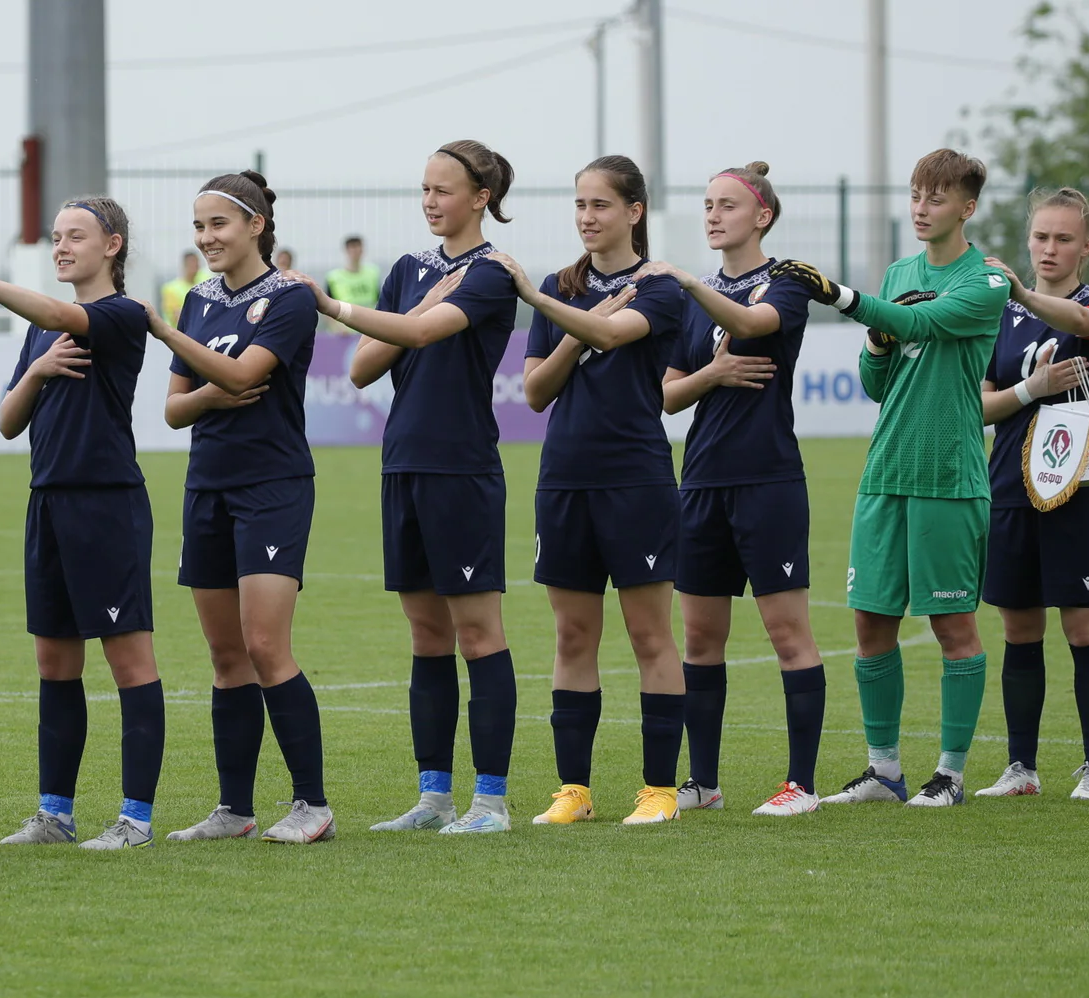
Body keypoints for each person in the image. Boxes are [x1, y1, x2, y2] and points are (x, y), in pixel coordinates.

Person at [0, 198, 167, 849]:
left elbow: (65, 315)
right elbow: (7, 421)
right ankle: (55, 814)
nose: (61, 246)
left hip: (105, 504)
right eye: (55, 237)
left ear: (112, 245)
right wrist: (35, 369)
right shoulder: (41, 328)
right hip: (48, 503)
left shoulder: (118, 315)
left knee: (129, 661)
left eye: (74, 236)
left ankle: (135, 820)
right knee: (55, 662)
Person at [290, 140, 521, 836]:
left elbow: (422, 332)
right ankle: (433, 799)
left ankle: (490, 802)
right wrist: (414, 303)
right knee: (426, 635)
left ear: (480, 197)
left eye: (442, 189)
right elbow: (365, 368)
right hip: (404, 464)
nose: (429, 201)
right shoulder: (409, 269)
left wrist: (331, 303)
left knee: (478, 634)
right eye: (423, 188)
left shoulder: (494, 273)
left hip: (462, 468)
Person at [768, 148, 1010, 808]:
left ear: (967, 207)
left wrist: (845, 298)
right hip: (885, 474)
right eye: (915, 195)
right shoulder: (901, 271)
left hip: (948, 476)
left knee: (953, 626)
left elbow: (921, 321)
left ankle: (951, 775)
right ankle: (885, 772)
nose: (921, 207)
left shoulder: (987, 281)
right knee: (870, 622)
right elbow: (878, 377)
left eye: (936, 197)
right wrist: (873, 337)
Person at [490, 154, 688, 827]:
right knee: (573, 636)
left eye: (600, 204)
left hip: (636, 479)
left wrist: (552, 309)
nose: (587, 217)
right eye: (579, 205)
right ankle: (573, 789)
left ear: (634, 212)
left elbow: (612, 330)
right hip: (564, 481)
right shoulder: (561, 286)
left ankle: (660, 790)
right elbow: (537, 390)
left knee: (648, 636)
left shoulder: (660, 287)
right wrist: (567, 317)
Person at [633, 162, 828, 817]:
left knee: (788, 634)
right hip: (703, 484)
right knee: (700, 641)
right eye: (708, 205)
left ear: (762, 215)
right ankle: (704, 783)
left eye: (727, 205)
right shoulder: (698, 301)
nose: (713, 215)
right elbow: (664, 395)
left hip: (769, 480)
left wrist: (688, 280)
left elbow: (758, 322)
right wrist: (713, 371)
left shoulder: (788, 283)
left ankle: (801, 784)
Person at [145, 170, 332, 845]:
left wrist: (170, 340)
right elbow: (174, 410)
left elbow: (247, 374)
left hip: (272, 486)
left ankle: (312, 805)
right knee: (227, 656)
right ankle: (234, 810)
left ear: (256, 225)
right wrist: (209, 395)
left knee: (264, 645)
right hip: (207, 487)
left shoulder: (288, 297)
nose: (206, 237)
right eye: (198, 226)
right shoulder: (197, 300)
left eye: (218, 224)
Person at [973, 188, 1089, 802]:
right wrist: (1031, 389)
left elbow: (1084, 324)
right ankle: (1021, 768)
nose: (1050, 248)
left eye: (1064, 238)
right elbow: (979, 403)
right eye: (1041, 237)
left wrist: (1024, 294)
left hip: (1074, 489)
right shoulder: (1001, 317)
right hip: (1009, 485)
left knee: (1085, 628)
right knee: (1019, 630)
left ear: (1085, 247)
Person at [324, 235, 380, 310]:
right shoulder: (333, 277)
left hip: (370, 319)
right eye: (353, 247)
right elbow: (328, 305)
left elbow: (379, 299)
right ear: (346, 250)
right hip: (346, 320)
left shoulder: (373, 273)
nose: (356, 251)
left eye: (358, 247)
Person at [160, 250, 212, 328]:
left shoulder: (205, 281)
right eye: (192, 264)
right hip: (181, 334)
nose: (195, 267)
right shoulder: (171, 288)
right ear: (185, 266)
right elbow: (178, 317)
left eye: (196, 264)